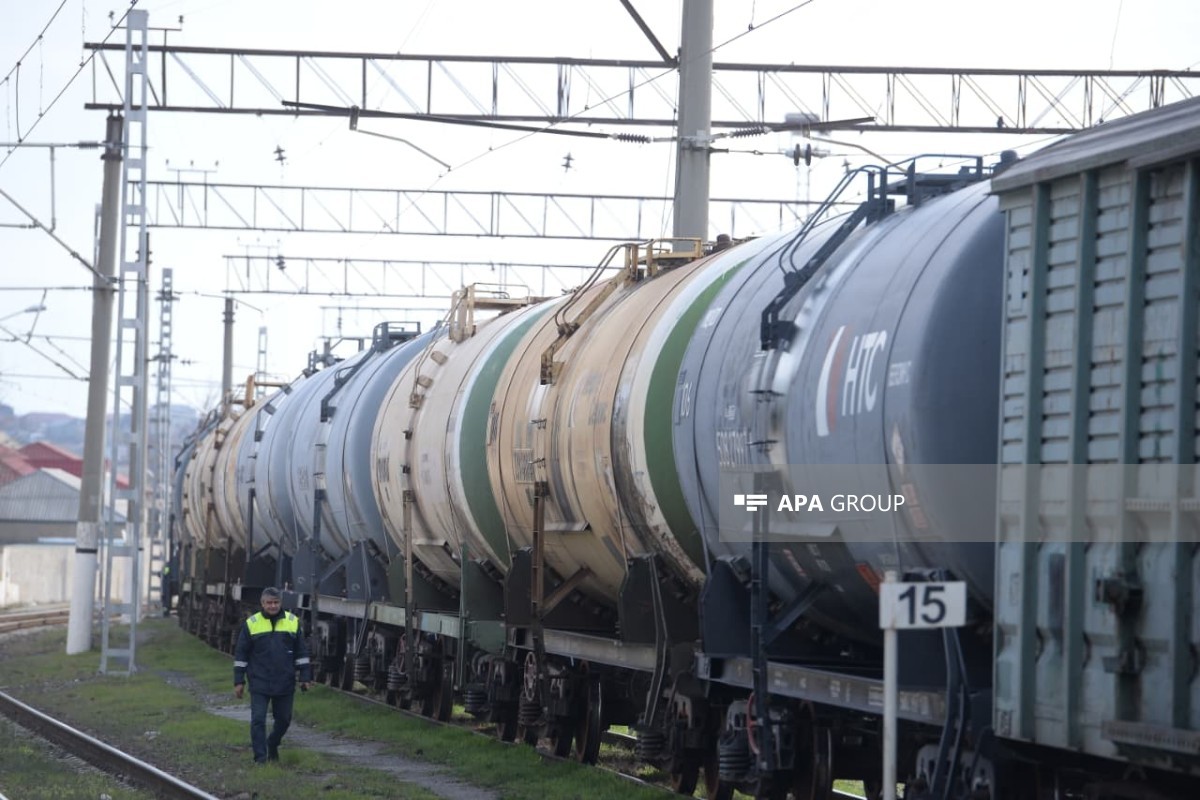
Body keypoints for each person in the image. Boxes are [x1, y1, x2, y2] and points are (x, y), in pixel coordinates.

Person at [233, 587, 313, 764]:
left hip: (284, 682)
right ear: (262, 604)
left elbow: (301, 652)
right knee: (258, 721)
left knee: (284, 720)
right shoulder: (251, 623)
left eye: (276, 602)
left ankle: (272, 743)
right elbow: (241, 655)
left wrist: (305, 678)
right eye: (269, 603)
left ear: (281, 603)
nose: (273, 606)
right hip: (259, 681)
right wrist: (239, 681)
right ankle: (260, 760)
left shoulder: (293, 622)